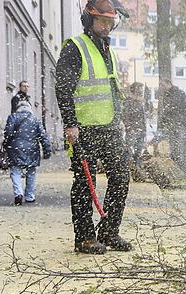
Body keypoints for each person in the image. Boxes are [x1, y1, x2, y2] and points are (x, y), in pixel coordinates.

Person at [55, 0, 132, 255]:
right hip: (83, 129)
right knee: (84, 184)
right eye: (102, 21)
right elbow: (63, 88)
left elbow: (111, 88)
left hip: (108, 126)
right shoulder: (75, 48)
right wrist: (70, 123)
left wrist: (118, 117)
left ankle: (109, 231)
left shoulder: (106, 49)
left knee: (120, 176)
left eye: (110, 23)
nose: (107, 27)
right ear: (90, 20)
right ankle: (85, 238)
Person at [3, 101, 51, 205]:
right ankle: (29, 196)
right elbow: (43, 136)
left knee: (15, 171)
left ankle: (18, 193)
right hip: (32, 149)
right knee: (31, 172)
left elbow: (8, 133)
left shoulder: (13, 117)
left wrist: (7, 144)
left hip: (15, 147)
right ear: (29, 108)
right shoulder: (35, 119)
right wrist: (47, 150)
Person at [158, 78, 186, 168]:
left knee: (180, 147)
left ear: (168, 83)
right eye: (160, 85)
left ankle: (182, 167)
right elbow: (166, 110)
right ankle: (175, 167)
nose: (161, 87)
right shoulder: (166, 95)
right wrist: (163, 121)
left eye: (162, 85)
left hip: (180, 124)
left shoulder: (178, 93)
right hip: (172, 125)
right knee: (173, 147)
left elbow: (183, 108)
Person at [123, 82, 147, 168]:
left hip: (141, 130)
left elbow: (143, 117)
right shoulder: (129, 102)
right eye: (139, 89)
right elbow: (125, 116)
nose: (141, 91)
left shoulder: (140, 102)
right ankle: (125, 168)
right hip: (133, 130)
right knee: (128, 151)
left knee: (138, 152)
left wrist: (144, 129)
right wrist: (129, 127)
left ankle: (136, 169)